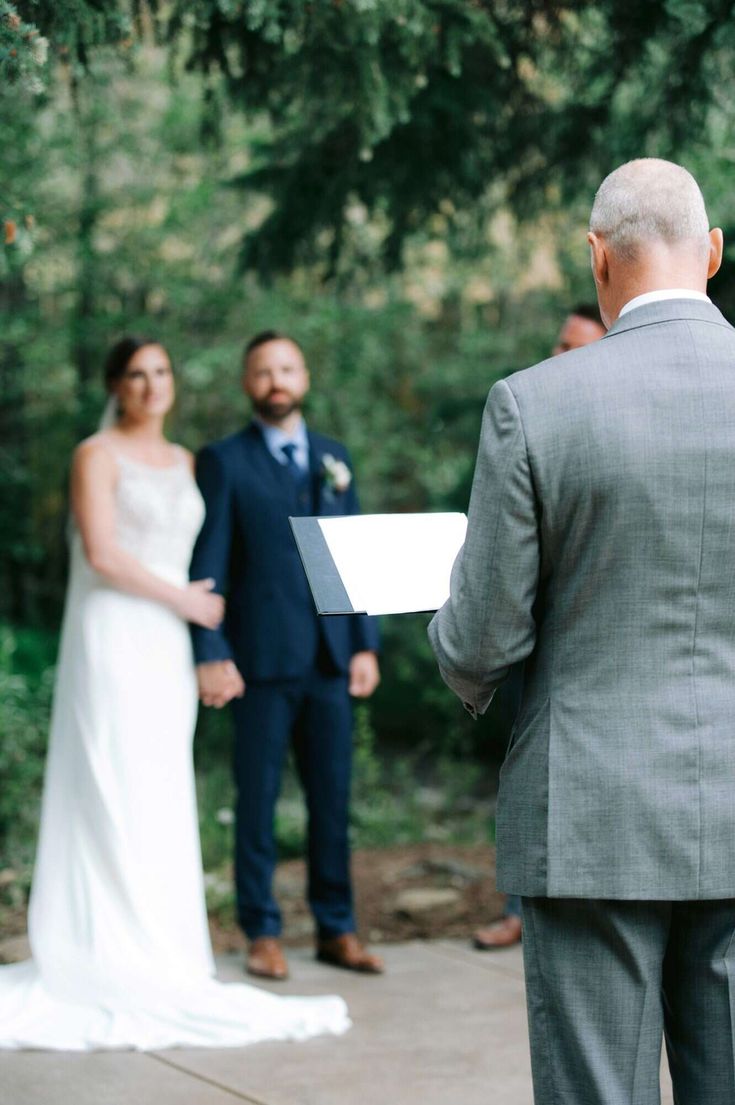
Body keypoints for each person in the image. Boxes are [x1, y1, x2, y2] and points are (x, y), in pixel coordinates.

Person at [429, 159, 735, 1104]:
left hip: (590, 812)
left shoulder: (535, 404)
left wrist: (446, 629)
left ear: (596, 257)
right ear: (714, 254)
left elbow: (481, 640)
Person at [0, 336, 349, 1050]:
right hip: (115, 631)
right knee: (109, 779)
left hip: (164, 646)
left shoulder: (192, 462)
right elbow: (100, 553)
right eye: (136, 373)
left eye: (160, 371)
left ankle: (161, 946)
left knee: (159, 787)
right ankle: (98, 947)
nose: (151, 384)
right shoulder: (94, 455)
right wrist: (183, 603)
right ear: (116, 385)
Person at [190, 330, 383, 981]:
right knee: (258, 800)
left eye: (286, 367)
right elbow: (208, 561)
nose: (276, 379)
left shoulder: (334, 458)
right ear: (247, 382)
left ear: (303, 376)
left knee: (333, 800)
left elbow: (355, 556)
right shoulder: (222, 460)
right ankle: (261, 929)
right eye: (262, 370)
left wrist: (364, 644)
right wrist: (210, 649)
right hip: (260, 660)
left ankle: (337, 926)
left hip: (331, 659)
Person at [474, 303, 606, 952]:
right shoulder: (532, 420)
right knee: (527, 768)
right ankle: (518, 903)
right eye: (558, 343)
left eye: (577, 346)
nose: (560, 357)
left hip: (595, 652)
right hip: (532, 642)